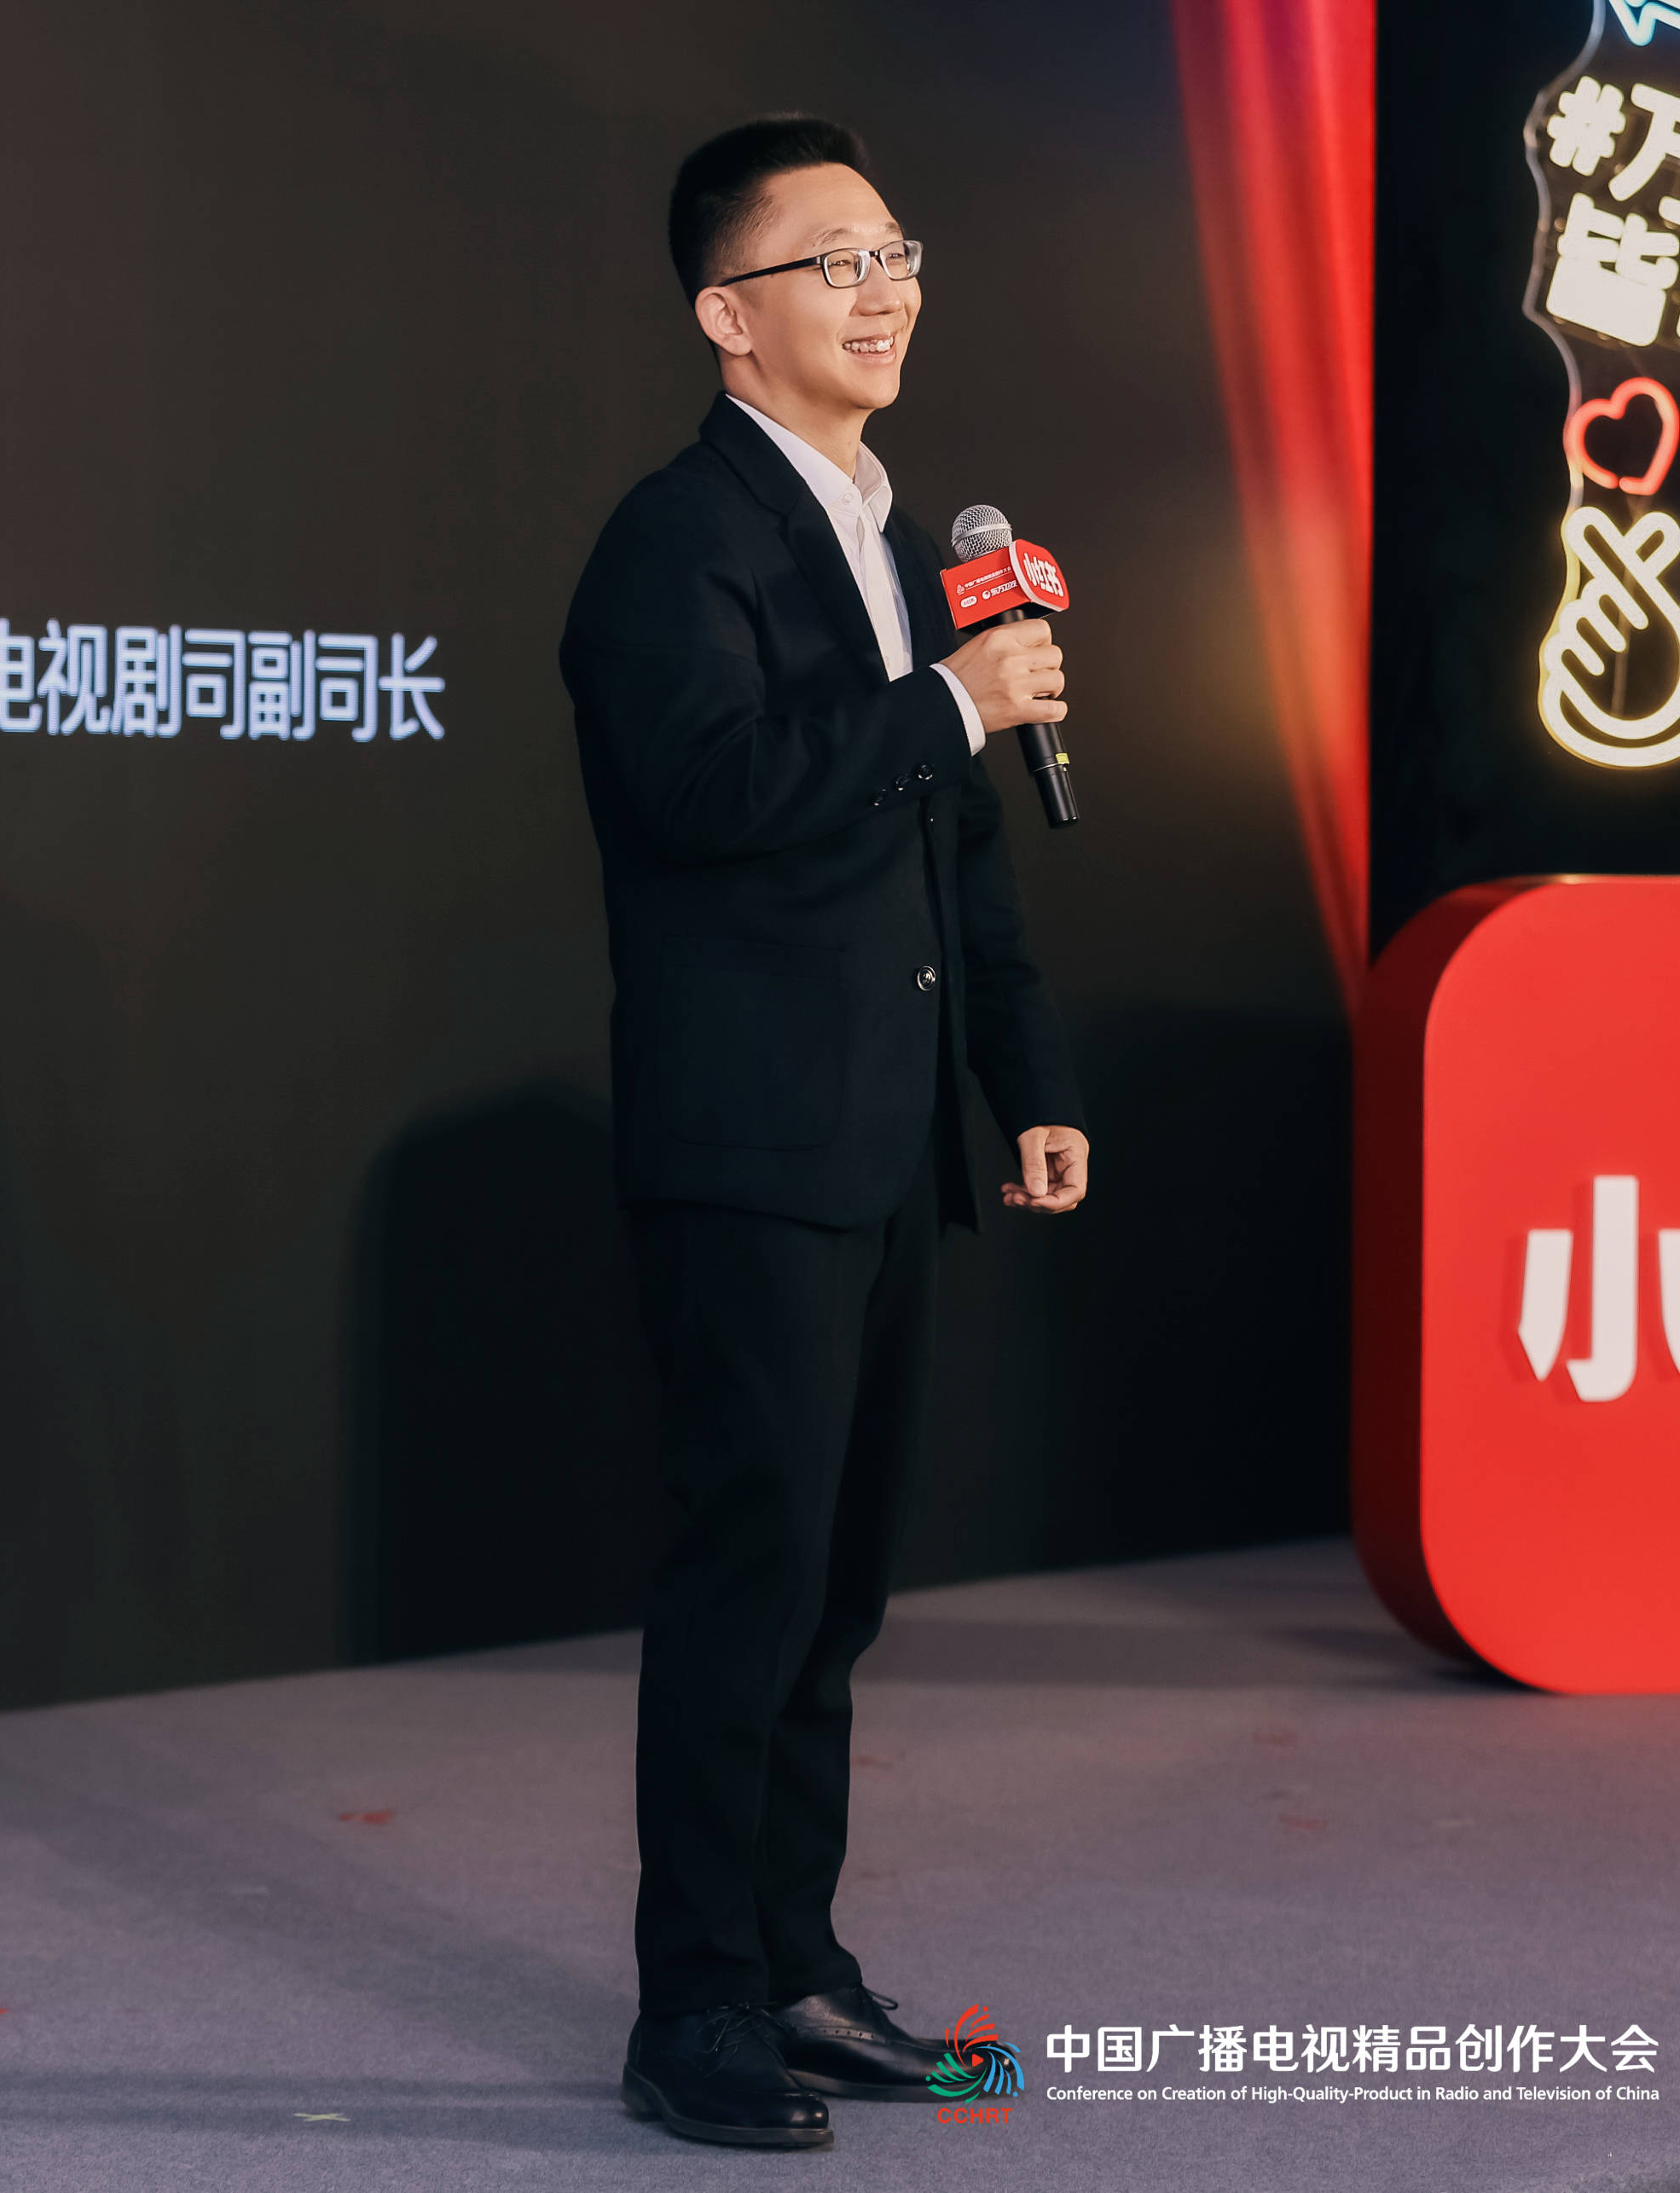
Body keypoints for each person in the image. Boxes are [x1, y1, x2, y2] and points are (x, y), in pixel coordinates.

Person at [559, 113, 1091, 2152]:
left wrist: (1025, 1077)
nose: (883, 291)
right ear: (726, 316)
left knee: (838, 1590)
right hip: (749, 1144)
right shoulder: (672, 539)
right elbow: (702, 788)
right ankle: (692, 1998)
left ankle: (796, 1960)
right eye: (832, 262)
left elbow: (957, 848)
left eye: (895, 254)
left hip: (885, 1139)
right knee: (748, 1577)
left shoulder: (903, 544)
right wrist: (947, 701)